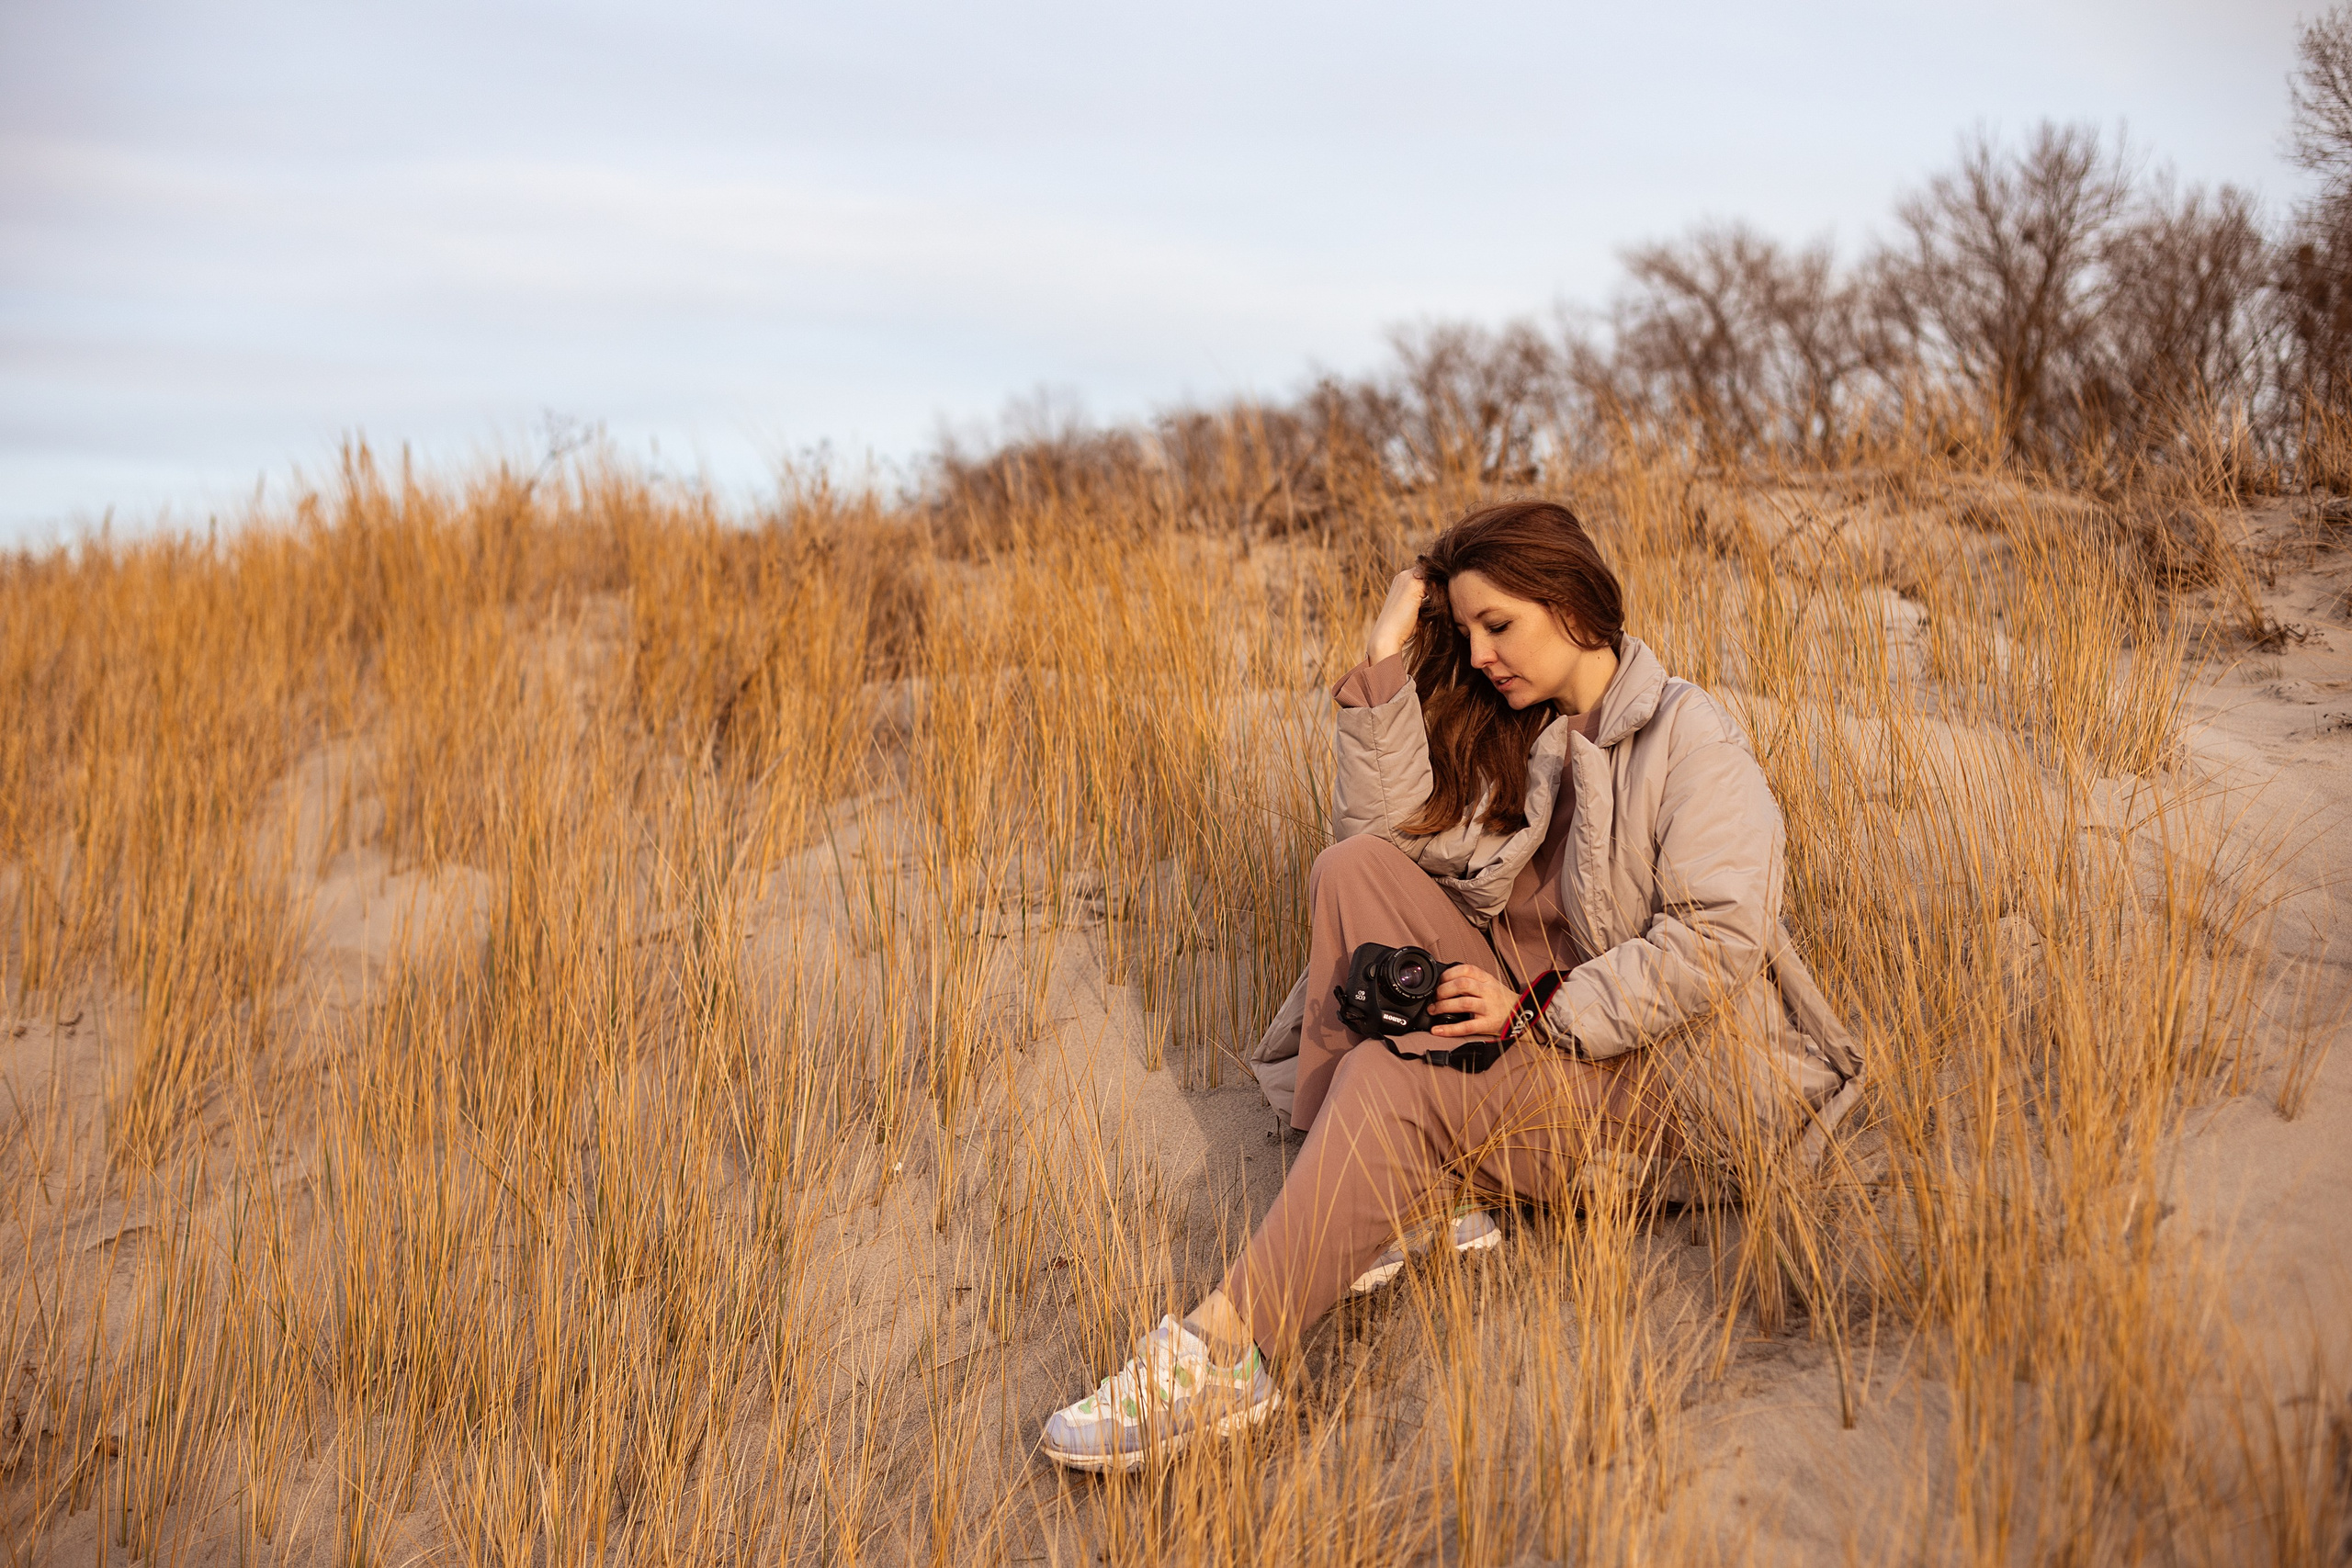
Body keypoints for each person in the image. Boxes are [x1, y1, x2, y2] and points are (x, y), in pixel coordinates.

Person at [1039, 499, 1860, 1473]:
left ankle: (1227, 1353)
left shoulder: (1692, 737)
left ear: (1571, 604)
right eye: (1463, 632)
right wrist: (1385, 655)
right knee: (1348, 872)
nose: (1477, 656)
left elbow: (1717, 938)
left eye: (1498, 626)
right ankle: (1385, 1196)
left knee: (1390, 1079)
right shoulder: (1521, 736)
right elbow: (1377, 837)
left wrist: (1539, 1011)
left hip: (1663, 1082)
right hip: (1533, 1049)